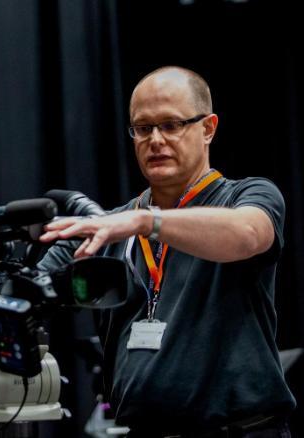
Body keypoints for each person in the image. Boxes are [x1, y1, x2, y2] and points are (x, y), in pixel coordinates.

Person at [38, 66, 296, 436]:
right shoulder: (110, 226)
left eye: (171, 125)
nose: (155, 140)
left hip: (242, 429)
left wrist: (147, 222)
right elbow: (24, 289)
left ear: (208, 128)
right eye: (143, 129)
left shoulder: (247, 195)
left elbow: (247, 234)